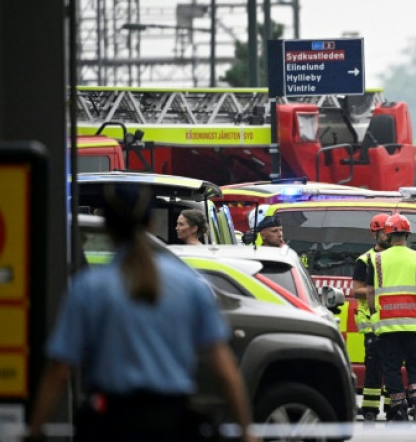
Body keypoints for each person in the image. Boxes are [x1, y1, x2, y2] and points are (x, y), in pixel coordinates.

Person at [28, 184, 256, 442]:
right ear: (150, 224)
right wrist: (246, 431)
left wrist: (34, 431)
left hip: (110, 426)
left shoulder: (88, 288)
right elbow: (224, 367)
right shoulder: (189, 285)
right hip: (171, 424)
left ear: (108, 228)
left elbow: (58, 371)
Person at [366, 214, 416, 422]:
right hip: (413, 323)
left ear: (387, 235)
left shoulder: (376, 259)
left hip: (386, 326)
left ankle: (398, 409)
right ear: (407, 234)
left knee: (391, 368)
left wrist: (373, 313)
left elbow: (370, 292)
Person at [353, 213, 391, 423]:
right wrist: (376, 291)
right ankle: (369, 410)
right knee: (374, 369)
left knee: (393, 369)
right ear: (375, 233)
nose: (389, 236)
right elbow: (356, 290)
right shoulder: (364, 260)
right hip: (372, 323)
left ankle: (393, 408)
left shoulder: (398, 259)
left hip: (394, 320)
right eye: (386, 232)